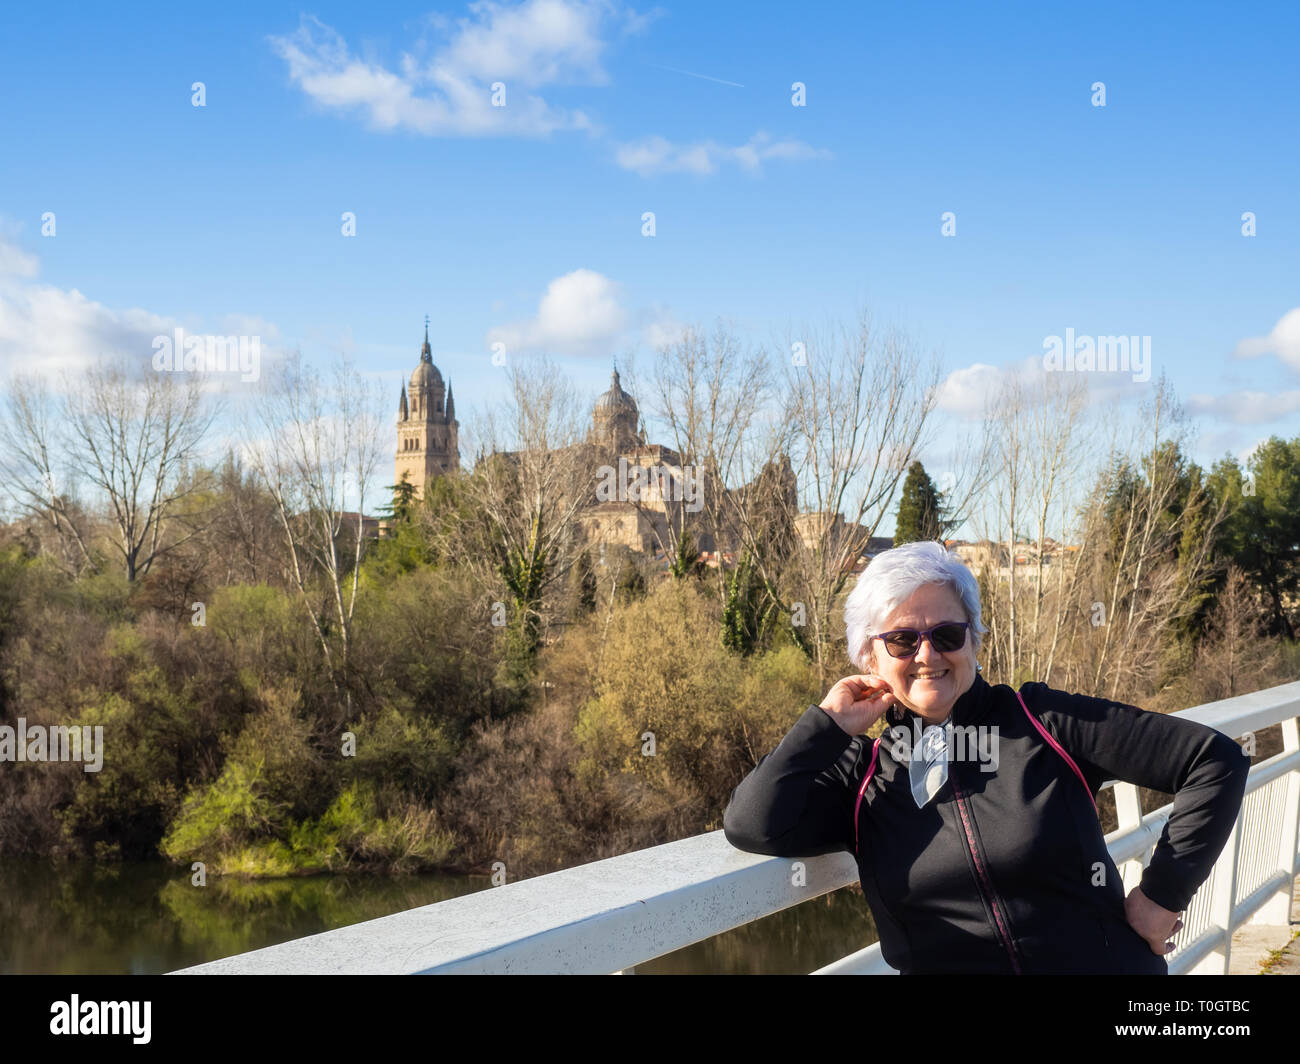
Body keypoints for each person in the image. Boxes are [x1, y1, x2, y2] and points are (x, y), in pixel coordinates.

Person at [722, 540, 1251, 974]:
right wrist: (827, 723)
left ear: (974, 640)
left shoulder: (1044, 721)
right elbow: (752, 823)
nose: (927, 655)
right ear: (868, 655)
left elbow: (1214, 760)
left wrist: (1161, 897)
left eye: (946, 634)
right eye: (902, 641)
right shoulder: (861, 775)